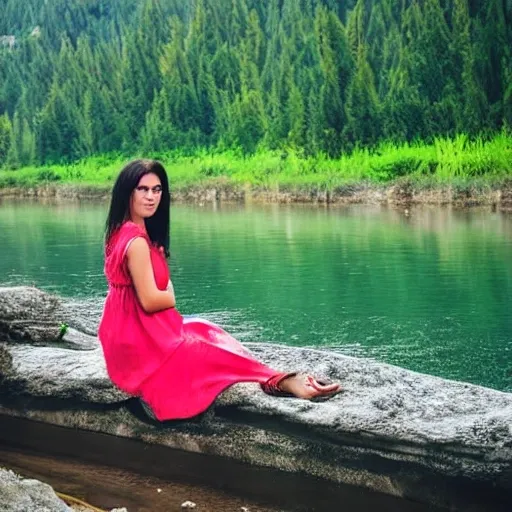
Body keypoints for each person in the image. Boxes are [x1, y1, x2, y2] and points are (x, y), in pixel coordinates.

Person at [98, 159, 341, 421]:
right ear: (127, 192)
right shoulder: (135, 241)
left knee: (205, 329)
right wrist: (170, 293)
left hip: (131, 331)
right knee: (203, 352)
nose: (151, 197)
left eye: (157, 190)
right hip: (136, 345)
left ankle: (274, 376)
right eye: (142, 189)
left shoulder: (125, 231)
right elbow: (150, 301)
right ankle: (281, 381)